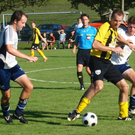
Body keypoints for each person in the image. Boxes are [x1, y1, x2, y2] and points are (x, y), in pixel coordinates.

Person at [67, 9, 135, 122]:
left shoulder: (114, 29)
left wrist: (128, 44)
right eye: (115, 20)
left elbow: (117, 36)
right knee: (98, 86)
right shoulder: (105, 27)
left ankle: (123, 115)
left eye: (119, 21)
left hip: (107, 62)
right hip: (97, 60)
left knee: (125, 87)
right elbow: (95, 44)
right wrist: (113, 49)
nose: (117, 23)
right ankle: (77, 111)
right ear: (111, 18)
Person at [0, 10, 38, 124]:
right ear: (15, 21)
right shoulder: (9, 30)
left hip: (12, 65)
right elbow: (10, 49)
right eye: (22, 22)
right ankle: (6, 114)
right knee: (7, 96)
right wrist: (28, 57)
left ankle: (18, 112)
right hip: (2, 67)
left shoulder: (14, 31)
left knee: (29, 86)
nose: (24, 25)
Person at [111, 15, 135, 115]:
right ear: (127, 25)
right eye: (130, 27)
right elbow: (112, 41)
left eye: (134, 27)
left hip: (122, 65)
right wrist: (124, 43)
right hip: (110, 63)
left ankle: (132, 107)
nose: (132, 29)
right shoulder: (121, 32)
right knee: (98, 86)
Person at [72, 13, 97, 90]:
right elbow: (76, 41)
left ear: (88, 20)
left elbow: (97, 40)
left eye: (86, 19)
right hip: (81, 51)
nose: (84, 21)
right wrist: (74, 48)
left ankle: (94, 83)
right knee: (79, 68)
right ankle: (82, 85)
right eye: (83, 19)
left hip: (90, 51)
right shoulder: (78, 31)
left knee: (88, 70)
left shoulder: (93, 30)